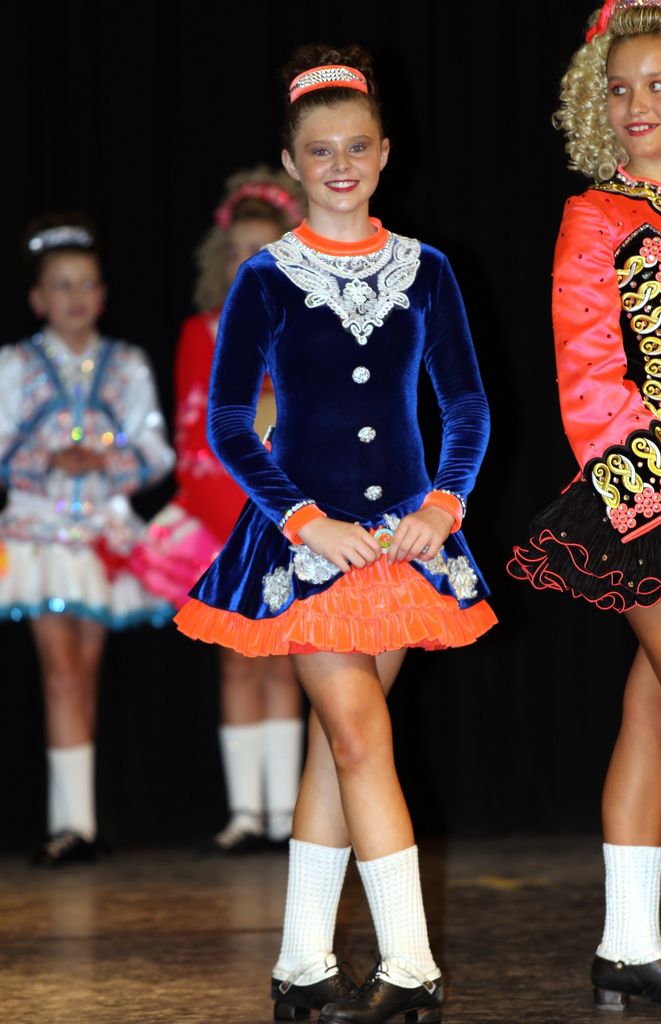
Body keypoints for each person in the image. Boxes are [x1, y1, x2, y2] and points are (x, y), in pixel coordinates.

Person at [175, 43, 496, 1024]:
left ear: (385, 152)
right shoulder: (264, 279)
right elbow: (231, 423)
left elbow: (466, 406)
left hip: (402, 551)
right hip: (305, 548)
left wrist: (442, 504)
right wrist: (305, 520)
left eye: (357, 146)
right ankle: (411, 964)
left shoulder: (427, 271)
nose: (341, 165)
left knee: (336, 745)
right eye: (320, 151)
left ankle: (300, 964)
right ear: (290, 163)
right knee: (359, 732)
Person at [508, 0, 661, 1012]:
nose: (634, 104)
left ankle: (626, 946)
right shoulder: (596, 215)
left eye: (658, 83)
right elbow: (587, 379)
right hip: (649, 502)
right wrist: (649, 490)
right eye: (617, 89)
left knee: (654, 709)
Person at [129, 168, 306, 852]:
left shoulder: (300, 329)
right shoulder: (200, 332)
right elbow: (192, 431)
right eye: (236, 253)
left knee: (284, 660)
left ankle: (287, 813)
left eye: (260, 252)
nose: (245, 264)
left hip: (288, 517)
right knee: (236, 659)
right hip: (218, 518)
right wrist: (220, 519)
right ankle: (245, 814)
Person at [0, 213, 175, 866]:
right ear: (37, 298)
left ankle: (81, 822)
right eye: (61, 285)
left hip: (102, 533)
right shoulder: (15, 364)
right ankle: (68, 825)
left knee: (85, 675)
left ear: (103, 294)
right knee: (60, 671)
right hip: (39, 534)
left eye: (86, 283)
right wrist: (47, 460)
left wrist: (106, 460)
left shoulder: (127, 364)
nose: (75, 297)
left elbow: (156, 449)